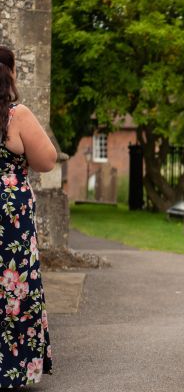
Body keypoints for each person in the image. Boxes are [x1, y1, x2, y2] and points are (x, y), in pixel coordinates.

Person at [0, 46, 57, 387]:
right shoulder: (15, 114)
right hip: (10, 215)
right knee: (15, 286)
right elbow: (47, 160)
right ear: (11, 74)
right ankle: (12, 366)